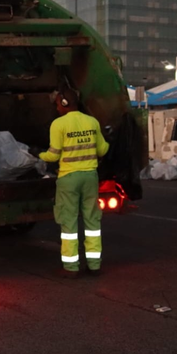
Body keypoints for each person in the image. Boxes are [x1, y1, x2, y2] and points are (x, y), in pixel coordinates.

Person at [39, 89, 110, 278]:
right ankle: (94, 265)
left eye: (57, 104)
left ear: (64, 104)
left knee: (68, 222)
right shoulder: (92, 122)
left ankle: (71, 267)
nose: (56, 108)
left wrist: (38, 155)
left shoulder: (58, 124)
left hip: (69, 179)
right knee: (92, 221)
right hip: (90, 177)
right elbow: (102, 150)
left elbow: (53, 155)